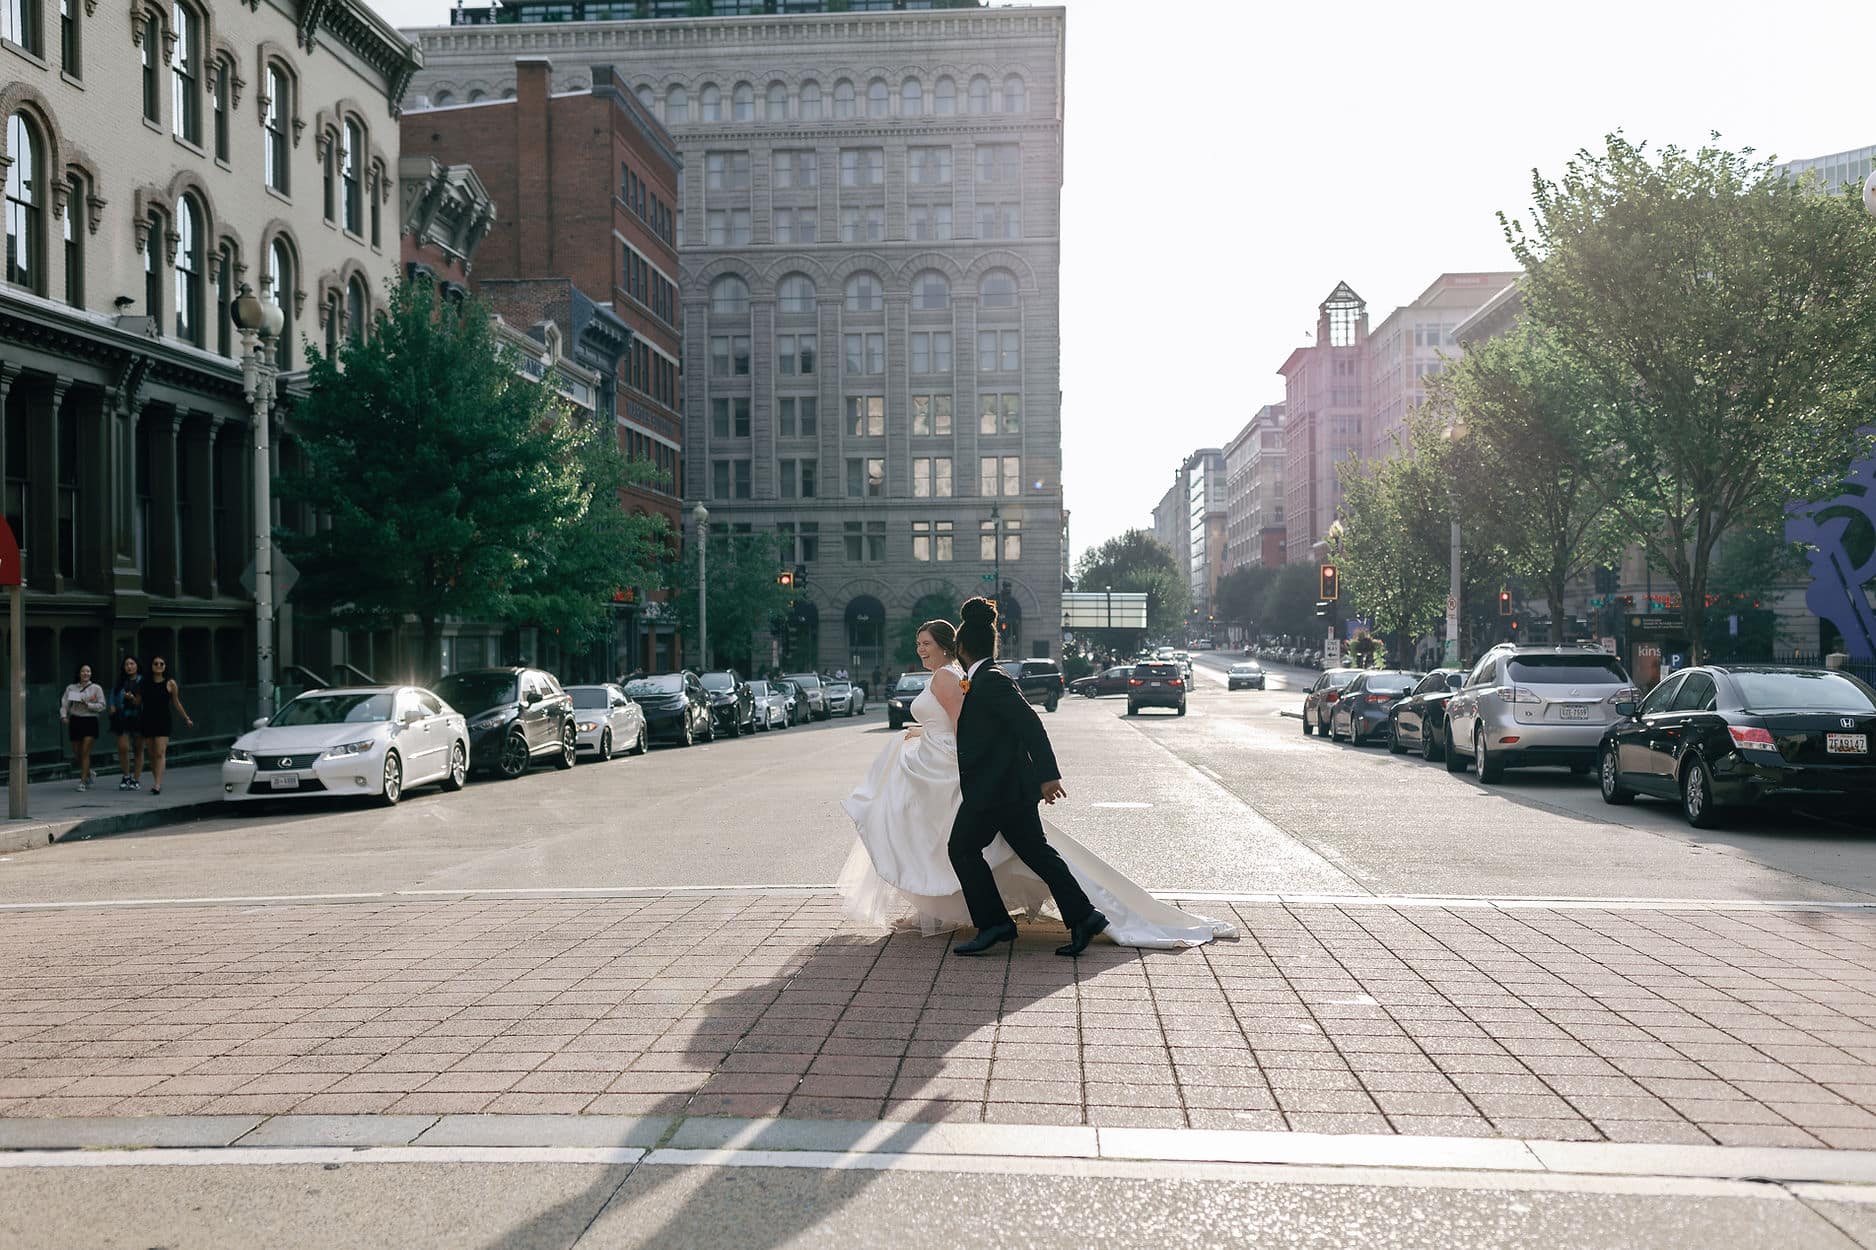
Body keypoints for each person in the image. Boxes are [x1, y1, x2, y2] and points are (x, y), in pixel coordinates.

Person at [839, 602, 1231, 956]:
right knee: (1037, 855)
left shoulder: (990, 679)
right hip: (1001, 789)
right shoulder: (979, 678)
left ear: (961, 648)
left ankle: (997, 924)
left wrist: (1048, 777)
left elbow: (1030, 725)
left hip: (999, 790)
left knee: (966, 849)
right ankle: (1082, 917)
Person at [139, 656, 194, 797]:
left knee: (159, 752)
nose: (158, 665)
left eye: (161, 664)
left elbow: (176, 702)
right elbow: (138, 701)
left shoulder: (170, 683)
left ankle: (157, 784)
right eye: (155, 663)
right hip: (147, 718)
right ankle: (156, 779)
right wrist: (130, 698)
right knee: (151, 754)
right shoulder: (145, 682)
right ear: (151, 666)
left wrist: (186, 718)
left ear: (165, 666)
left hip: (163, 719)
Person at [59, 664, 107, 791]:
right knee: (77, 753)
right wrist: (63, 716)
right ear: (78, 673)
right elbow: (65, 703)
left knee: (85, 751)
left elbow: (102, 705)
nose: (86, 673)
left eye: (88, 671)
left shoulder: (96, 688)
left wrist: (89, 704)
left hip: (90, 720)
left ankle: (82, 781)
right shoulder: (71, 688)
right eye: (83, 671)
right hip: (75, 720)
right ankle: (89, 772)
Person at [109, 656, 145, 791]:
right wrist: (112, 705)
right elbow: (113, 694)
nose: (129, 667)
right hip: (122, 716)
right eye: (126, 664)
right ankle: (126, 776)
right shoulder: (121, 681)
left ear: (137, 665)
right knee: (123, 747)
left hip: (139, 716)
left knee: (138, 748)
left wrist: (133, 698)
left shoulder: (143, 681)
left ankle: (136, 779)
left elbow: (144, 699)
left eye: (132, 663)